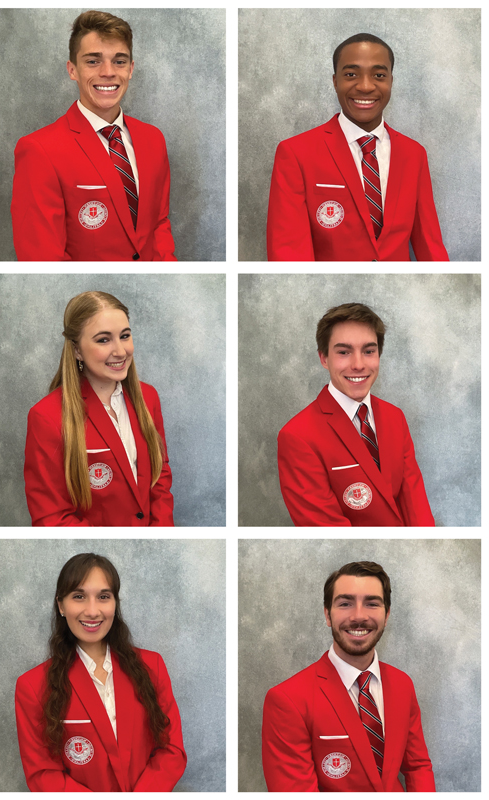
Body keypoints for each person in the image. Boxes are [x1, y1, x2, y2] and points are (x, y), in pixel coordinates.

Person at [266, 34, 448, 261]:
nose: (365, 86)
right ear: (335, 81)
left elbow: (430, 245)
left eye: (379, 75)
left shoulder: (414, 154)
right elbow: (288, 252)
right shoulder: (295, 152)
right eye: (351, 74)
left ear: (391, 81)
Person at [11, 11, 175, 262]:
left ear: (131, 69)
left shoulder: (153, 139)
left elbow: (159, 223)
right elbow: (41, 258)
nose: (108, 72)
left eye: (119, 61)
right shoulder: (39, 149)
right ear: (72, 70)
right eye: (93, 61)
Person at [15, 553, 186, 790]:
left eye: (103, 597)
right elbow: (43, 774)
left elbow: (172, 750)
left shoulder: (152, 666)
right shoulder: (32, 686)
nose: (93, 611)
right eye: (79, 596)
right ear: (61, 605)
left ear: (115, 604)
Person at [262, 561, 435, 790]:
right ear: (327, 615)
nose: (359, 616)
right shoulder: (287, 700)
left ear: (387, 615)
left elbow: (417, 767)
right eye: (345, 603)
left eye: (372, 603)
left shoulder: (403, 684)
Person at [23, 291, 173, 526]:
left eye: (125, 336)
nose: (121, 351)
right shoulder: (47, 417)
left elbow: (159, 474)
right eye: (103, 340)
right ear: (77, 350)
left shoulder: (148, 397)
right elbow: (52, 518)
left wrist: (160, 531)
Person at [277, 303, 433, 526]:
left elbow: (414, 503)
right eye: (343, 352)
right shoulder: (297, 436)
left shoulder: (394, 416)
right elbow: (325, 526)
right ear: (323, 358)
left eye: (369, 351)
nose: (358, 365)